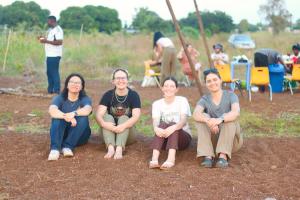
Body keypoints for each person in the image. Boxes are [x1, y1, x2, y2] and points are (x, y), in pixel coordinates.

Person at [193, 68, 243, 168]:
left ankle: (223, 157)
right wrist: (208, 121)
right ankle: (208, 156)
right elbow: (196, 114)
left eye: (215, 79)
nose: (212, 83)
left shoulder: (231, 95)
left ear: (220, 80)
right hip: (214, 141)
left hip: (231, 141)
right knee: (202, 118)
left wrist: (220, 120)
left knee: (229, 119)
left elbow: (236, 112)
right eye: (209, 81)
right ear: (206, 84)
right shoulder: (205, 99)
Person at [96, 69, 141, 159]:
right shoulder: (108, 95)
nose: (121, 80)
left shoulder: (133, 95)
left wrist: (123, 126)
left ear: (127, 80)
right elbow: (98, 114)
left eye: (123, 78)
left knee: (124, 117)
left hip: (127, 134)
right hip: (109, 133)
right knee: (106, 117)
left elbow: (136, 116)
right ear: (113, 81)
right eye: (118, 78)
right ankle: (111, 148)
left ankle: (119, 149)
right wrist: (104, 124)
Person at [149, 77, 192, 170]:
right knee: (162, 124)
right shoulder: (156, 104)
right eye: (166, 86)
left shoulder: (182, 100)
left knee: (173, 124)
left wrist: (173, 127)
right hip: (164, 139)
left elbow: (183, 121)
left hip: (182, 139)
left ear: (176, 89)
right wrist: (156, 128)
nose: (168, 88)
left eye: (172, 86)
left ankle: (171, 158)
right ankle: (154, 158)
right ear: (162, 88)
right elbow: (155, 122)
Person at [48, 73, 92, 161]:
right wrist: (66, 116)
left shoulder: (84, 99)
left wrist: (74, 113)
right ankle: (55, 149)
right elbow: (52, 111)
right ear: (67, 85)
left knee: (83, 118)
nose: (75, 84)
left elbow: (88, 109)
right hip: (62, 134)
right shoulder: (60, 98)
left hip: (80, 136)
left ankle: (68, 147)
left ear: (82, 87)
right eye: (72, 82)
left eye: (78, 83)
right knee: (57, 117)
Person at [38, 16, 63, 94]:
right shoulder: (51, 30)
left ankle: (56, 90)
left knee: (54, 72)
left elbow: (59, 42)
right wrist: (42, 38)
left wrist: (46, 41)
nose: (47, 23)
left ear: (52, 21)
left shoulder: (58, 30)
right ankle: (50, 90)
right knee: (49, 72)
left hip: (54, 55)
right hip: (50, 55)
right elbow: (51, 40)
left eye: (48, 21)